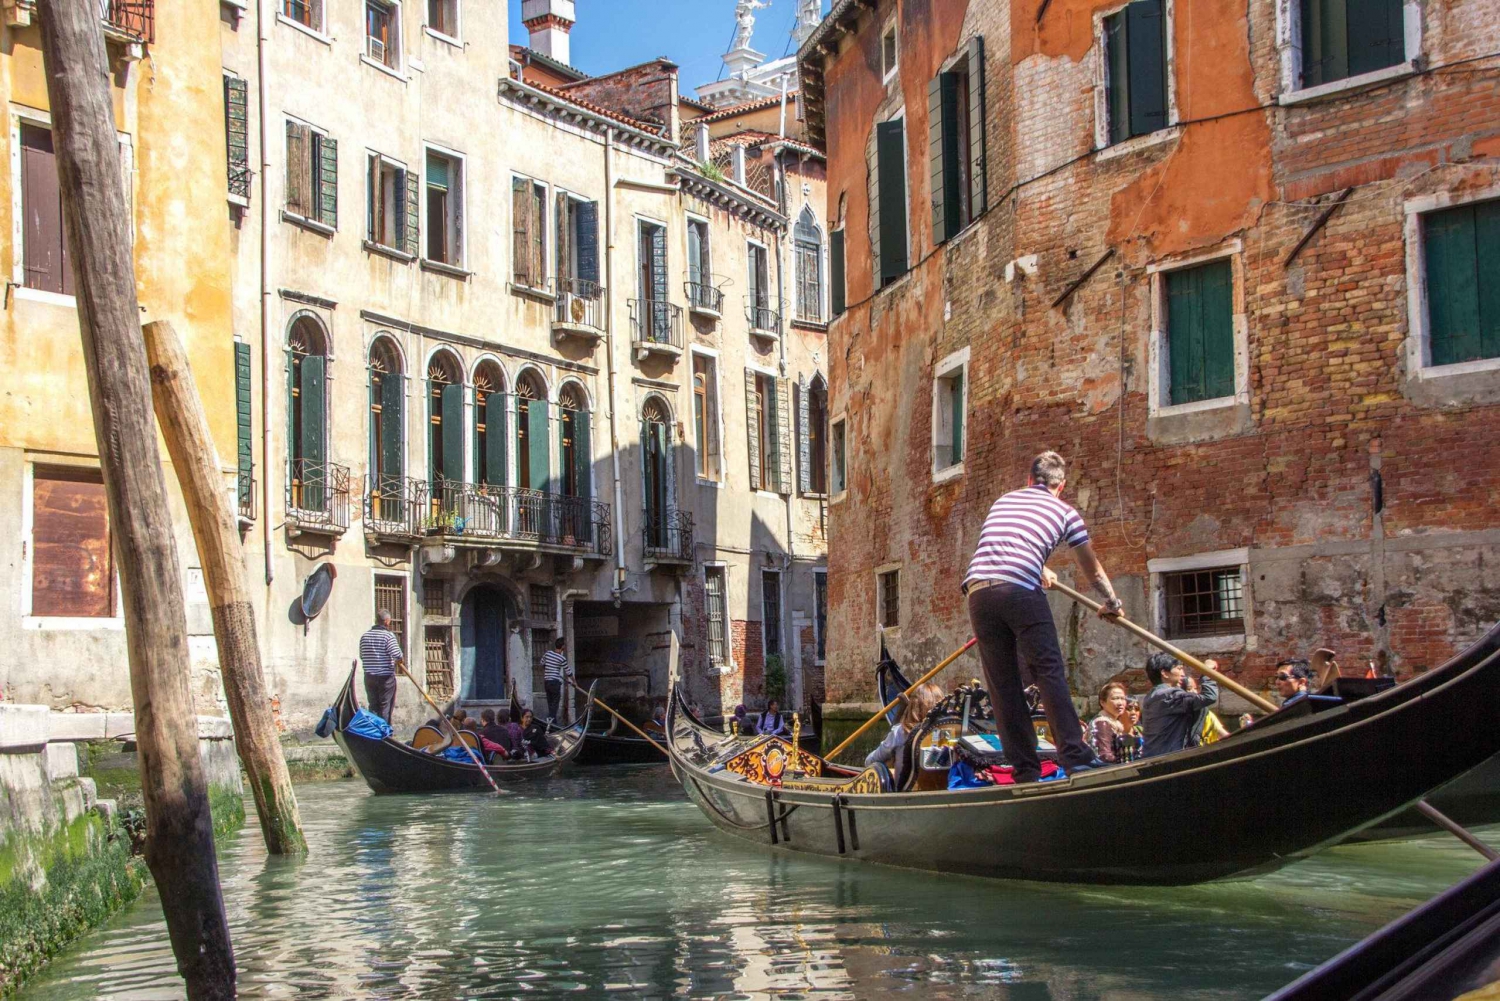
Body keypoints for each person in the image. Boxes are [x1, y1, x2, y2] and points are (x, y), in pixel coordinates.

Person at [963, 451, 1120, 782]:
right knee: (1048, 672)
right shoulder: (1065, 512)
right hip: (1019, 590)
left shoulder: (1003, 501)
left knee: (1003, 685)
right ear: (1060, 486)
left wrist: (1040, 568)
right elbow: (1091, 568)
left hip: (978, 592)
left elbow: (1003, 549)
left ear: (1029, 480)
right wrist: (1111, 601)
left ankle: (1025, 769)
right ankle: (1076, 757)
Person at [864, 682, 945, 788]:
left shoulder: (900, 732)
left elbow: (870, 761)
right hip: (943, 788)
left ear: (913, 705)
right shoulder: (948, 731)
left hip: (905, 791)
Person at [1140, 652, 1220, 758]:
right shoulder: (1168, 696)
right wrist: (1207, 671)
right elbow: (1209, 696)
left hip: (1158, 757)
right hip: (1168, 759)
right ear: (1164, 673)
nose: (1183, 674)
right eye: (1179, 669)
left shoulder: (1154, 695)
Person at [358, 610, 405, 723]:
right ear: (387, 621)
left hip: (369, 677)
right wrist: (400, 661)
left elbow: (362, 656)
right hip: (385, 678)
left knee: (373, 706)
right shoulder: (388, 636)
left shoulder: (365, 636)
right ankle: (384, 731)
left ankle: (374, 730)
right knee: (385, 706)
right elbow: (398, 655)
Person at [1088, 682, 1130, 763]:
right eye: (1115, 698)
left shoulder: (1114, 723)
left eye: (1123, 698)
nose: (1120, 703)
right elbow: (1104, 756)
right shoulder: (1102, 723)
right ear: (1102, 702)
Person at [542, 638, 573, 722]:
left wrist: (549, 670)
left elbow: (542, 663)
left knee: (550, 703)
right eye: (565, 645)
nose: (565, 646)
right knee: (555, 704)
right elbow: (569, 672)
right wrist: (574, 682)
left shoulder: (548, 653)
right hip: (555, 682)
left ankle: (553, 722)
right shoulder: (562, 658)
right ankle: (551, 721)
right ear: (562, 646)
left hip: (547, 682)